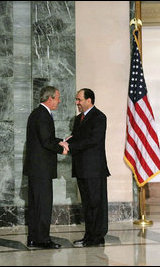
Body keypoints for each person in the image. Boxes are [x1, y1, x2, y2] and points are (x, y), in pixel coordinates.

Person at [60, 88, 110, 247]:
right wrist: (69, 141)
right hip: (81, 168)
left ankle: (97, 237)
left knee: (96, 204)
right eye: (76, 100)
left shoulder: (99, 117)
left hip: (94, 169)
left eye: (79, 100)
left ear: (89, 100)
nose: (77, 103)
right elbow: (79, 137)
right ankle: (89, 236)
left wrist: (71, 146)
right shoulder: (77, 119)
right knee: (87, 206)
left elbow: (93, 140)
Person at [23, 85, 67, 249]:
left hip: (36, 170)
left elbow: (46, 138)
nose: (59, 101)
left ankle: (34, 239)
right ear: (50, 99)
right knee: (43, 206)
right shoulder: (43, 115)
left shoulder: (37, 114)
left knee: (36, 206)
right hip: (41, 170)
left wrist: (60, 140)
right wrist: (61, 148)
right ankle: (42, 240)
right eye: (57, 97)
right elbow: (46, 141)